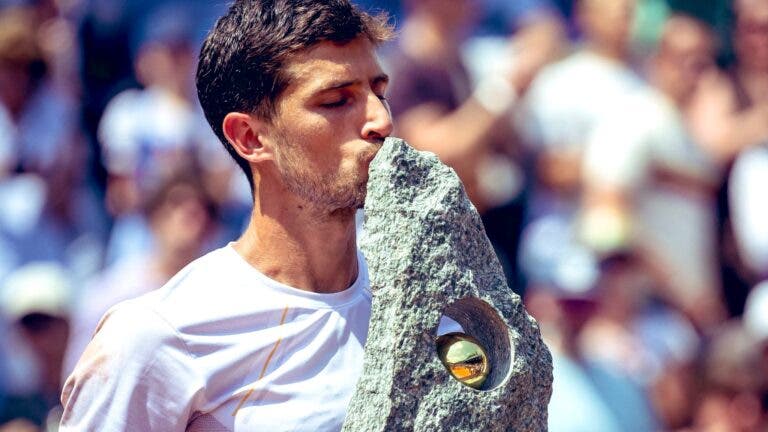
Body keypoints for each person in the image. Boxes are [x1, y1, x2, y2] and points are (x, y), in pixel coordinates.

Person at [60, 1, 402, 430]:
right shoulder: (159, 337)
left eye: (380, 91)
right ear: (250, 137)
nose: (380, 120)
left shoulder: (423, 302)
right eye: (336, 100)